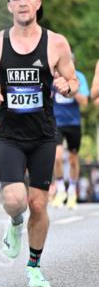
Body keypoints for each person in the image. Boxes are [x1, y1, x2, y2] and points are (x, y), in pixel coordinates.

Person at [0, 0, 78, 287]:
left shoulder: (56, 43)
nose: (22, 2)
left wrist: (68, 86)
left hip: (43, 135)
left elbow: (72, 79)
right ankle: (14, 222)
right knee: (15, 199)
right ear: (9, 6)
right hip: (9, 133)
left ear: (37, 4)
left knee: (38, 204)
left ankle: (34, 266)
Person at [51, 54, 89, 209]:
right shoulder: (53, 78)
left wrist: (71, 89)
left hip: (73, 123)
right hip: (57, 122)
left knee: (73, 159)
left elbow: (85, 102)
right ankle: (60, 190)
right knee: (57, 157)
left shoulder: (78, 77)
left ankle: (72, 191)